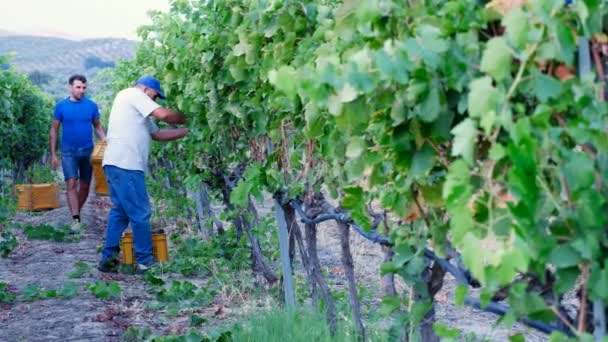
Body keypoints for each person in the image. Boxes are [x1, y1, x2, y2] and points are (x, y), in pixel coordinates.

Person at [98, 75, 189, 273]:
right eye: (155, 97)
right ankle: (145, 261)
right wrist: (188, 117)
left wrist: (186, 131)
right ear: (147, 89)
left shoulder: (137, 109)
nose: (154, 101)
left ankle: (108, 259)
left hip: (115, 163)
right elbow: (164, 115)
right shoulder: (132, 94)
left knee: (120, 212)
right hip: (126, 164)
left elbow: (157, 134)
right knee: (140, 212)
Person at [50, 74, 106, 230]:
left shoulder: (91, 106)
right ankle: (75, 218)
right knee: (71, 183)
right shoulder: (61, 106)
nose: (82, 90)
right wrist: (53, 154)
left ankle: (76, 213)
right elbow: (54, 130)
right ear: (70, 87)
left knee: (86, 186)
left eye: (84, 87)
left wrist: (106, 141)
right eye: (78, 87)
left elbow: (97, 126)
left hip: (88, 150)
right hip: (68, 151)